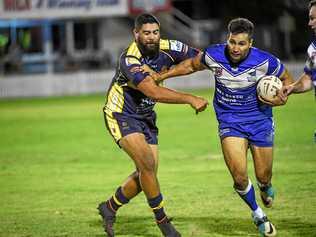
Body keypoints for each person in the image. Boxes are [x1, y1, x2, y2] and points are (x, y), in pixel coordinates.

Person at [144, 18, 294, 236]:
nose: (235, 48)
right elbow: (190, 65)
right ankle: (258, 214)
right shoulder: (214, 55)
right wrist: (161, 75)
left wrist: (282, 98)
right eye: (232, 42)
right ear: (227, 39)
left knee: (263, 175)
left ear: (250, 43)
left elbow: (287, 80)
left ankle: (264, 186)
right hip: (229, 120)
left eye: (241, 44)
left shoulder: (266, 61)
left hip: (259, 120)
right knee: (239, 176)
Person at [98, 13, 208, 237]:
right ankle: (163, 222)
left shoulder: (170, 47)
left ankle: (109, 207)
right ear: (136, 34)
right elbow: (153, 91)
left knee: (147, 175)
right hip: (121, 114)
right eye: (146, 33)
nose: (151, 37)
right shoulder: (129, 59)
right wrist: (190, 98)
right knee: (147, 165)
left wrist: (167, 73)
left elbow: (201, 59)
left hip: (146, 116)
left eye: (155, 32)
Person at [282, 0, 316, 96]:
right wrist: (292, 87)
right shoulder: (313, 49)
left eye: (313, 18)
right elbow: (309, 77)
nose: (309, 23)